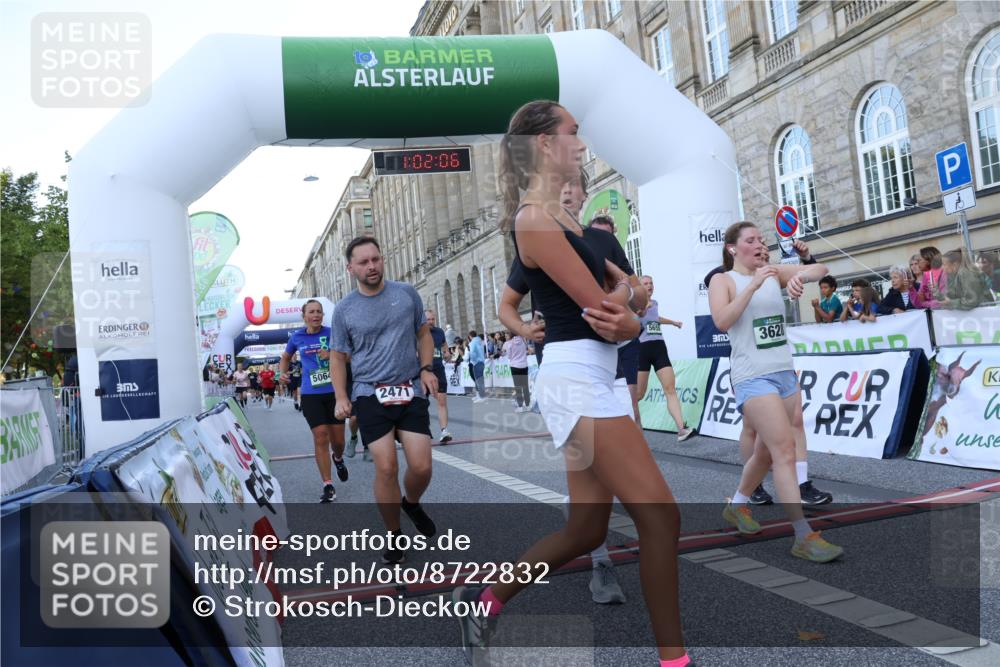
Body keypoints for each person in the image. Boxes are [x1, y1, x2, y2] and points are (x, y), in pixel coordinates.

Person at [454, 100, 689, 667]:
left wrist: (631, 304)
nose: (581, 145)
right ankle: (675, 661)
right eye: (572, 133)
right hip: (576, 376)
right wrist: (633, 304)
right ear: (542, 144)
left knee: (586, 528)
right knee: (661, 518)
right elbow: (604, 310)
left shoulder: (567, 222)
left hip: (599, 376)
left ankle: (484, 601)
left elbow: (625, 301)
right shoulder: (534, 218)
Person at [709, 221, 843, 563]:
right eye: (751, 240)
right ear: (732, 248)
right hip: (752, 377)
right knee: (783, 449)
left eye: (762, 240)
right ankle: (802, 535)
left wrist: (800, 270)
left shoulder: (773, 272)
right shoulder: (722, 280)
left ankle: (738, 505)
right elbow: (722, 321)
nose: (760, 245)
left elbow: (822, 269)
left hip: (783, 372)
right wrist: (752, 286)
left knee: (766, 452)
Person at [331, 236, 438, 565]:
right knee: (387, 466)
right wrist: (340, 397)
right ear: (351, 268)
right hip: (369, 393)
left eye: (375, 259)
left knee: (421, 465)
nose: (372, 266)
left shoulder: (406, 294)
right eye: (363, 262)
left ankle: (411, 503)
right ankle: (393, 534)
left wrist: (426, 369)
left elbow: (423, 334)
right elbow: (337, 357)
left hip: (409, 389)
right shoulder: (345, 309)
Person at [280, 299, 348, 503]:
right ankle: (328, 484)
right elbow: (285, 357)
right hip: (310, 393)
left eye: (319, 311)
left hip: (334, 392)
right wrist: (282, 373)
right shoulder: (297, 337)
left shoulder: (332, 333)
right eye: (312, 312)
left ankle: (338, 458)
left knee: (338, 441)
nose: (316, 315)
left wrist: (333, 356)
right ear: (304, 316)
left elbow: (351, 356)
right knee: (320, 436)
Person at [635, 275, 694, 440]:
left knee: (670, 389)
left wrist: (673, 322)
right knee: (638, 395)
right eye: (645, 284)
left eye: (651, 283)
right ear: (639, 287)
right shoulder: (634, 303)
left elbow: (655, 318)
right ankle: (623, 423)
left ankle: (681, 429)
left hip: (659, 348)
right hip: (642, 350)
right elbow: (638, 315)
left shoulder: (656, 303)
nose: (649, 286)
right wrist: (643, 307)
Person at [425, 309, 454, 443]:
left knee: (442, 401)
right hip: (423, 372)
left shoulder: (439, 332)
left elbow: (443, 344)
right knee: (422, 403)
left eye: (432, 319)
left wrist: (447, 352)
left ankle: (444, 431)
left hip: (438, 370)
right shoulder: (418, 332)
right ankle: (423, 431)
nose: (431, 322)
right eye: (428, 319)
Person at [502, 331, 532, 412]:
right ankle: (528, 405)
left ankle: (520, 406)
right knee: (525, 386)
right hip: (524, 365)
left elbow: (509, 356)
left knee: (518, 387)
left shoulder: (509, 343)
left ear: (511, 334)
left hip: (515, 366)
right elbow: (526, 350)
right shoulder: (523, 340)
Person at [467, 331, 487, 402]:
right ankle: (479, 395)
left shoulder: (472, 342)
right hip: (482, 361)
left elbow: (472, 353)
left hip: (477, 362)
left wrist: (474, 361)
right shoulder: (480, 341)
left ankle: (482, 396)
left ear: (470, 336)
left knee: (479, 380)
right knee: (479, 380)